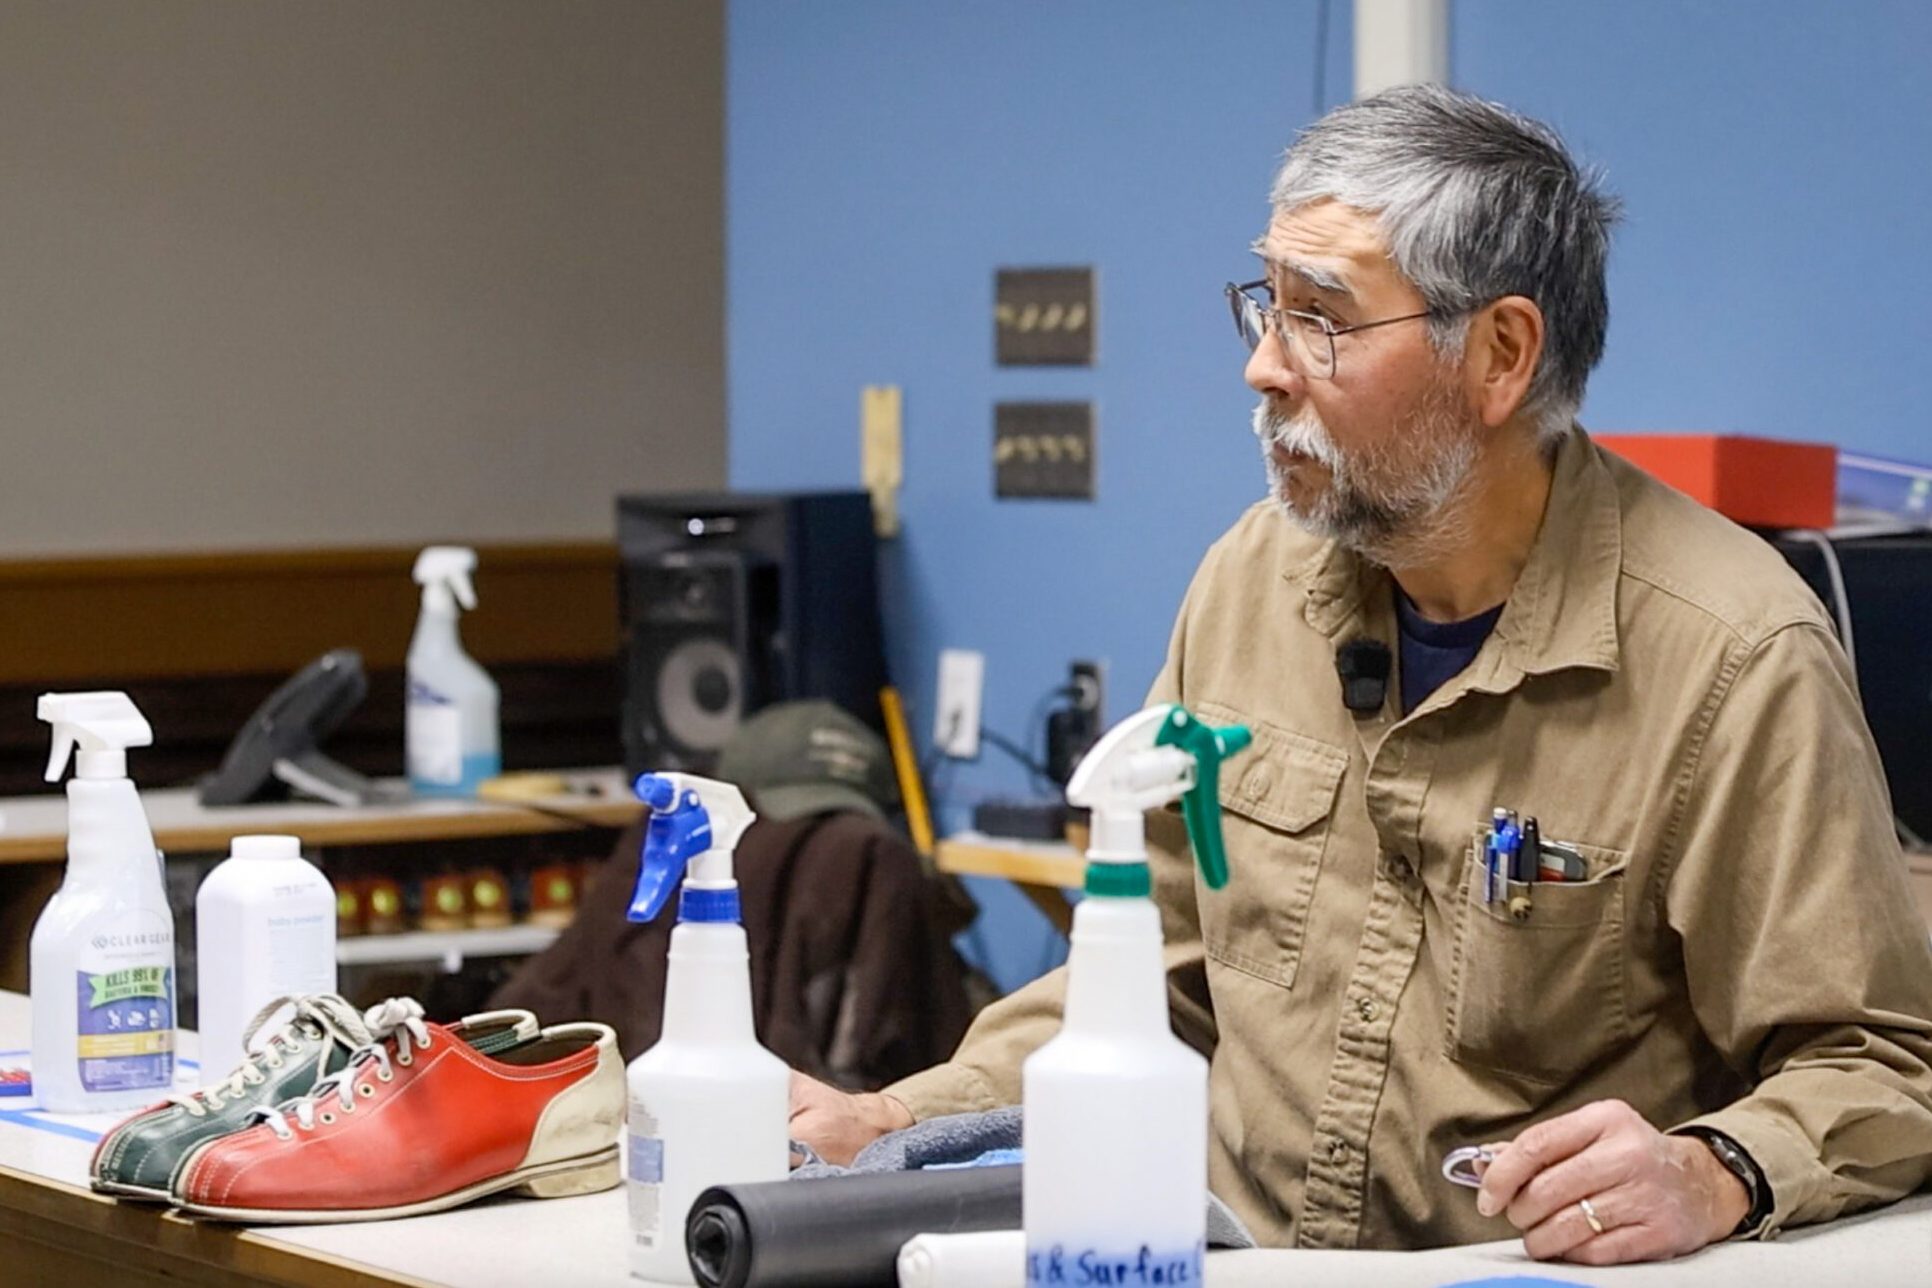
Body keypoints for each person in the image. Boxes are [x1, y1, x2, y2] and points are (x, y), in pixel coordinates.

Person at [789, 84, 1932, 1264]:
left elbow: (1884, 1063)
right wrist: (894, 1117)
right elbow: (1150, 981)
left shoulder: (1733, 656)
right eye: (1263, 309)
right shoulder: (1247, 580)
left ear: (1500, 355)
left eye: (1320, 320)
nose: (1264, 370)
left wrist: (1713, 1169)